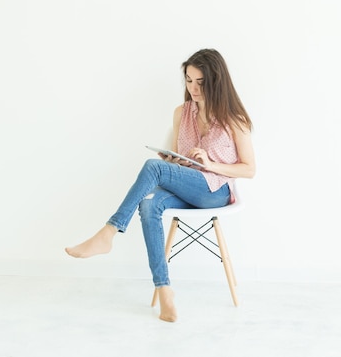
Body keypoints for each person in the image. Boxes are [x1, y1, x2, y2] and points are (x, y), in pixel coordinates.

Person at [65, 48, 256, 322]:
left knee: (152, 168)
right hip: (189, 185)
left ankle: (108, 233)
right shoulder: (182, 113)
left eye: (201, 82)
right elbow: (181, 163)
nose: (193, 88)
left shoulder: (234, 118)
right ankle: (164, 290)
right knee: (149, 202)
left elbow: (250, 169)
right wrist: (172, 160)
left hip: (215, 191)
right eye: (189, 80)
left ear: (216, 81)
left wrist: (211, 164)